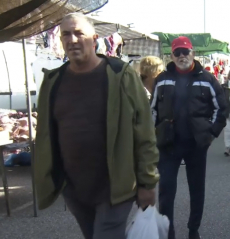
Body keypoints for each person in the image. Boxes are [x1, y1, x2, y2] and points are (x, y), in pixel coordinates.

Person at [34, 13, 159, 239]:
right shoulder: (53, 81)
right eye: (66, 35)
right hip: (75, 188)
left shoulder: (121, 74)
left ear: (94, 39)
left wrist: (148, 182)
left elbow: (144, 133)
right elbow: (44, 132)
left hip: (116, 188)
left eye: (79, 33)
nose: (72, 40)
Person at [151, 36, 228, 239]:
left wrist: (211, 133)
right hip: (168, 144)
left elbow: (222, 108)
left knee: (197, 190)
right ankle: (168, 234)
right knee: (166, 192)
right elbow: (153, 111)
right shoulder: (162, 79)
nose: (182, 56)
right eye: (178, 52)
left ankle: (193, 230)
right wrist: (153, 135)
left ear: (192, 53)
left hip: (196, 144)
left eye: (185, 52)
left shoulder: (207, 78)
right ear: (172, 55)